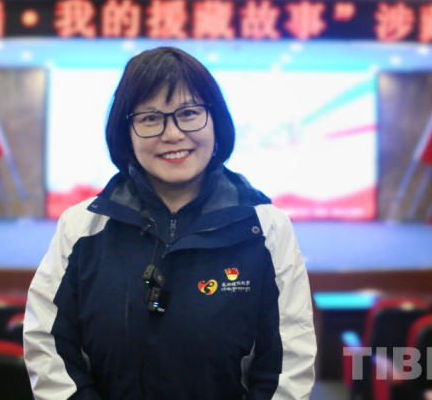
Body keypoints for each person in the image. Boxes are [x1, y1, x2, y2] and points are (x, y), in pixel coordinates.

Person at [24, 46, 316, 400]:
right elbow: (47, 343)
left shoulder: (267, 229)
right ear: (125, 132)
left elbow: (288, 364)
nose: (173, 133)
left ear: (216, 120)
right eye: (150, 118)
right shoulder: (81, 227)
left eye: (189, 113)